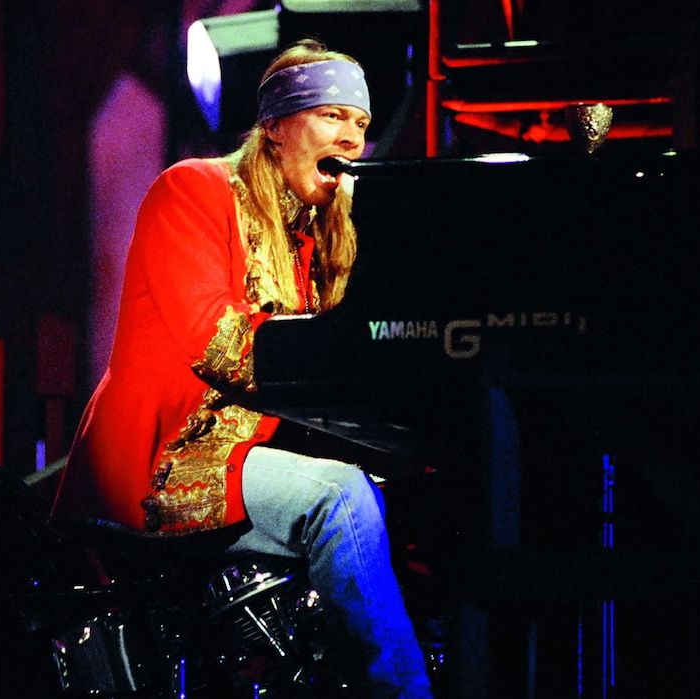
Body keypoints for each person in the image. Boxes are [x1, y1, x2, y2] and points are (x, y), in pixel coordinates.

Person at [53, 39, 432, 698]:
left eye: (361, 123)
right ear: (277, 126)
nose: (352, 138)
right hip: (166, 456)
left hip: (250, 455)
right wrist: (343, 365)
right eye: (332, 115)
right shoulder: (192, 189)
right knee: (339, 496)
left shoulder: (317, 237)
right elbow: (218, 341)